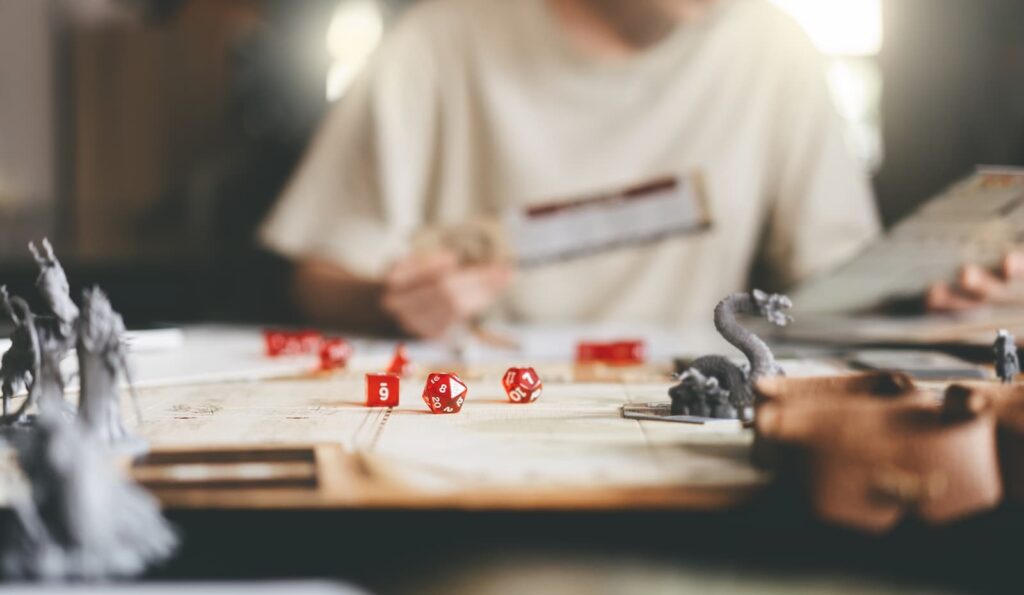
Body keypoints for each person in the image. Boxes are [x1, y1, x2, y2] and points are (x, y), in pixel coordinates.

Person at [260, 0, 1022, 338]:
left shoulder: (774, 48)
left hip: (692, 427)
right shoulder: (440, 37)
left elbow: (836, 289)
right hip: (474, 416)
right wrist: (388, 302)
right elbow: (319, 273)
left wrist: (944, 295)